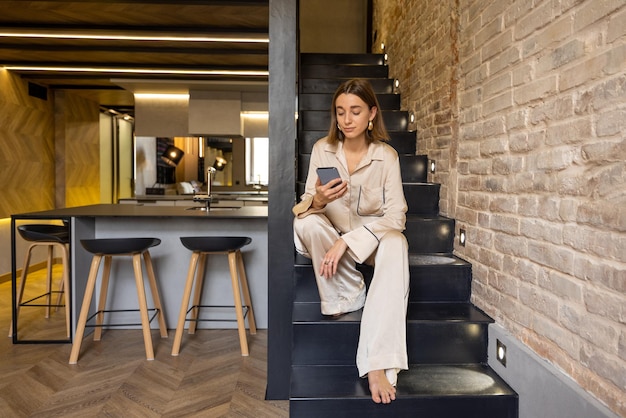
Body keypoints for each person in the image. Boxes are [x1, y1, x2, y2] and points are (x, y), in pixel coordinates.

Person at [292, 78, 410, 404]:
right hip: (327, 234)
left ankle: (378, 362)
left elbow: (396, 216)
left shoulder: (386, 156)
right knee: (308, 224)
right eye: (341, 112)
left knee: (396, 243)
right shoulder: (322, 150)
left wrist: (348, 242)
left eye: (355, 111)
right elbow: (301, 208)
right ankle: (346, 294)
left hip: (366, 242)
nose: (347, 119)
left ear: (372, 113)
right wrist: (317, 199)